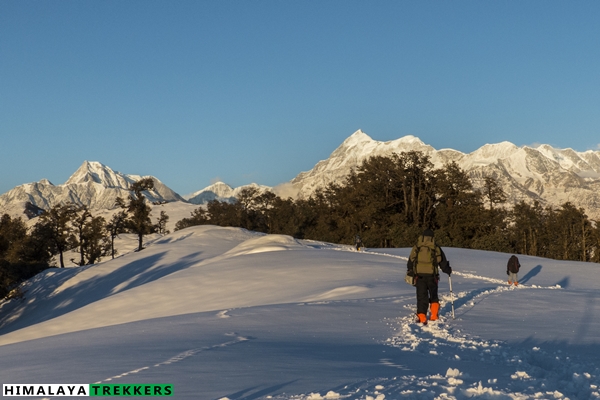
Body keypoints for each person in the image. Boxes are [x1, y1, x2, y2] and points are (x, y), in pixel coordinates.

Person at [407, 229, 452, 324]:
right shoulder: (435, 247)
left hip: (419, 276)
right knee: (433, 295)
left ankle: (422, 317)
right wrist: (447, 270)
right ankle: (434, 315)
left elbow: (411, 260)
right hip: (432, 276)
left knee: (421, 296)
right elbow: (442, 262)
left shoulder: (417, 246)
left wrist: (410, 270)